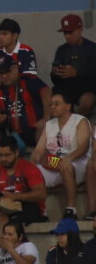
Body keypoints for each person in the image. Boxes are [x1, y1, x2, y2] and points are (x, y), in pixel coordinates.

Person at [34, 90, 90, 221]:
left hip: (78, 162)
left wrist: (67, 159)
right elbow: (38, 150)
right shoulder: (49, 124)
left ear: (68, 106)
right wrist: (35, 160)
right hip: (55, 162)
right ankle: (42, 213)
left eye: (57, 104)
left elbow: (83, 147)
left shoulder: (79, 121)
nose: (52, 107)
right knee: (32, 172)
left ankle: (71, 210)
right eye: (51, 104)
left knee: (66, 166)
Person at [52, 13, 96, 116]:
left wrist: (77, 73)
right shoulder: (62, 50)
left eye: (71, 32)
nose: (67, 36)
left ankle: (76, 127)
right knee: (52, 98)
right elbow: (56, 81)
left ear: (80, 29)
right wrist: (55, 73)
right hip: (66, 88)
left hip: (87, 88)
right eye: (65, 33)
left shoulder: (92, 49)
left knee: (87, 100)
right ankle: (53, 129)